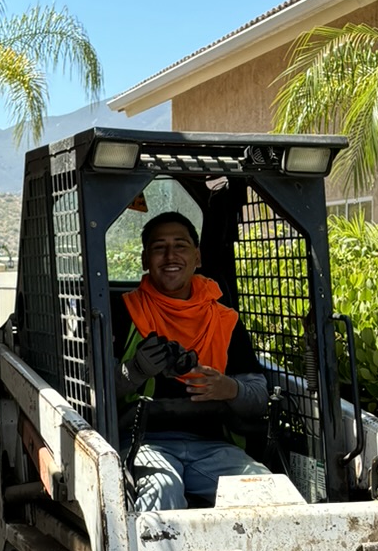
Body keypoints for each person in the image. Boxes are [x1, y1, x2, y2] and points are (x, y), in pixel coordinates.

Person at [111, 211, 274, 512]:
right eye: (159, 247)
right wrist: (133, 371)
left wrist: (230, 389)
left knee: (265, 491)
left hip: (212, 445)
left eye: (180, 245)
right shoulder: (121, 315)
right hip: (140, 442)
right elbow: (91, 395)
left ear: (197, 257)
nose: (170, 255)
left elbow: (260, 395)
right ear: (145, 259)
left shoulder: (223, 319)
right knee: (162, 487)